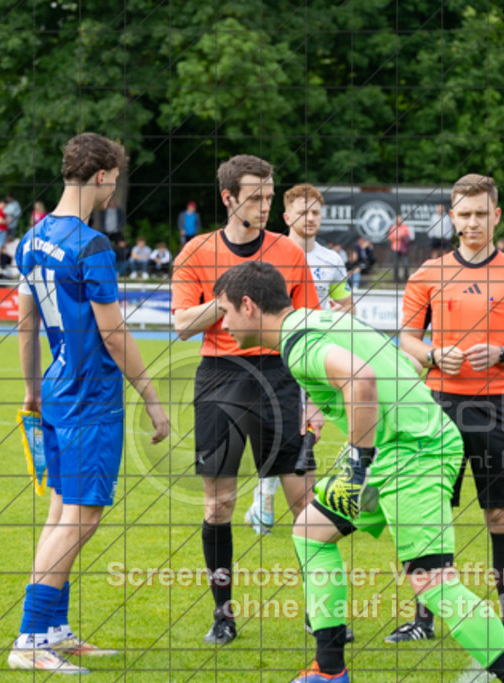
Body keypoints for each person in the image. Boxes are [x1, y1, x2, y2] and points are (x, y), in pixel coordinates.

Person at [212, 261, 504, 683]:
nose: (224, 323)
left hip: (414, 452)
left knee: (433, 583)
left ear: (249, 306)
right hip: (396, 448)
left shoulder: (298, 342)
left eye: (225, 311)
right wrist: (322, 404)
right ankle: (330, 671)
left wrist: (356, 464)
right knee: (310, 530)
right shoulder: (315, 319)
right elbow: (373, 366)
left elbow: (360, 378)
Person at [8, 132, 170, 673]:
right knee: (83, 514)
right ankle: (31, 640)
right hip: (90, 395)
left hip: (55, 390)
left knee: (61, 510)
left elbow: (26, 325)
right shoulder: (91, 246)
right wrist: (152, 398)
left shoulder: (29, 241)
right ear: (102, 176)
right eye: (115, 179)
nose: (112, 189)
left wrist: (32, 389)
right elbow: (115, 334)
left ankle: (52, 627)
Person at [171, 154, 320, 647]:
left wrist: (316, 398)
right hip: (220, 378)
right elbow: (179, 324)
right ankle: (223, 614)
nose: (264, 204)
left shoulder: (289, 253)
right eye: (254, 196)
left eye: (269, 195)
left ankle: (319, 612)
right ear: (228, 198)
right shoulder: (196, 251)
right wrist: (229, 298)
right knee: (219, 506)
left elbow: (311, 326)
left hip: (280, 376)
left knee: (307, 504)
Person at [397, 173, 504, 648]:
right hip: (437, 406)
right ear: (451, 216)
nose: (471, 223)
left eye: (480, 214)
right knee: (427, 515)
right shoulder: (427, 273)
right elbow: (405, 338)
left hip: (498, 405)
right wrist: (429, 356)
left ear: (496, 215)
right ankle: (422, 618)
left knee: (502, 517)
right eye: (463, 214)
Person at [244, 183, 354, 536]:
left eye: (316, 213)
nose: (311, 219)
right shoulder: (270, 253)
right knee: (286, 427)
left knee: (310, 428)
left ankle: (266, 495)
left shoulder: (332, 260)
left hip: (317, 352)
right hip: (278, 355)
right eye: (303, 212)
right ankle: (265, 497)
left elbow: (346, 304)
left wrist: (342, 311)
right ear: (287, 216)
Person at [387, 214, 413, 283]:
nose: (398, 221)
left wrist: (403, 237)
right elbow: (390, 238)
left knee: (405, 264)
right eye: (397, 220)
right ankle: (396, 279)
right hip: (395, 248)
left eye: (400, 219)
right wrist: (396, 237)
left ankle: (406, 278)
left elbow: (408, 238)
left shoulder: (405, 227)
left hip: (404, 248)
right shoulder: (392, 228)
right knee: (396, 264)